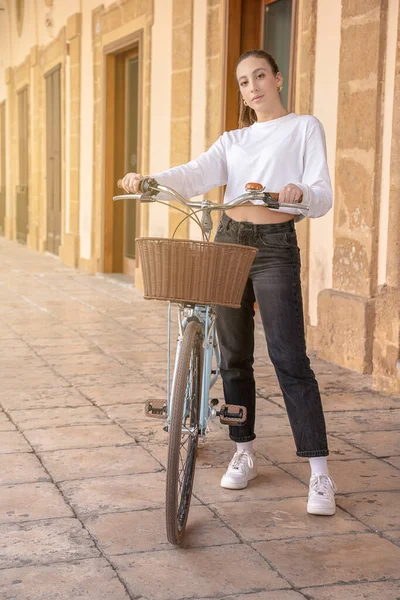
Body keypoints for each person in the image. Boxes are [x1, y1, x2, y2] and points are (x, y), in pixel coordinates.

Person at [122, 49, 337, 516]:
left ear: (278, 78)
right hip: (229, 241)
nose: (252, 87)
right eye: (243, 82)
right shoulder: (233, 140)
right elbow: (197, 173)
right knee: (234, 355)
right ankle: (244, 449)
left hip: (276, 244)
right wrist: (151, 180)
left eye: (260, 76)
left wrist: (301, 193)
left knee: (288, 357)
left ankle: (320, 474)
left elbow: (322, 196)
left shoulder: (304, 128)